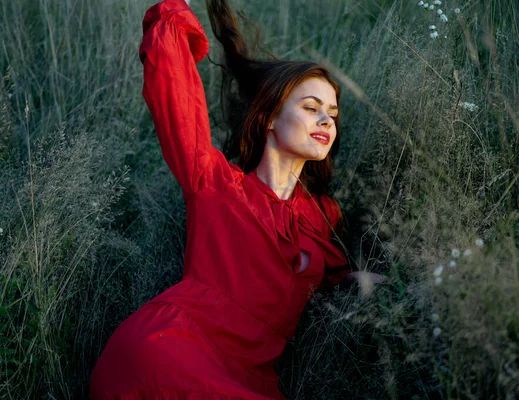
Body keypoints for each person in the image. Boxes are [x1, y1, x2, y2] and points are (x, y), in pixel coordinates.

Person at [89, 0, 383, 398]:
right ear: (269, 118)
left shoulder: (321, 216)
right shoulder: (216, 183)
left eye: (332, 112)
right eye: (311, 107)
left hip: (251, 376)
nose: (326, 120)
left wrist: (364, 282)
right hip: (171, 346)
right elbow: (174, 98)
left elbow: (328, 280)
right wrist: (174, 14)